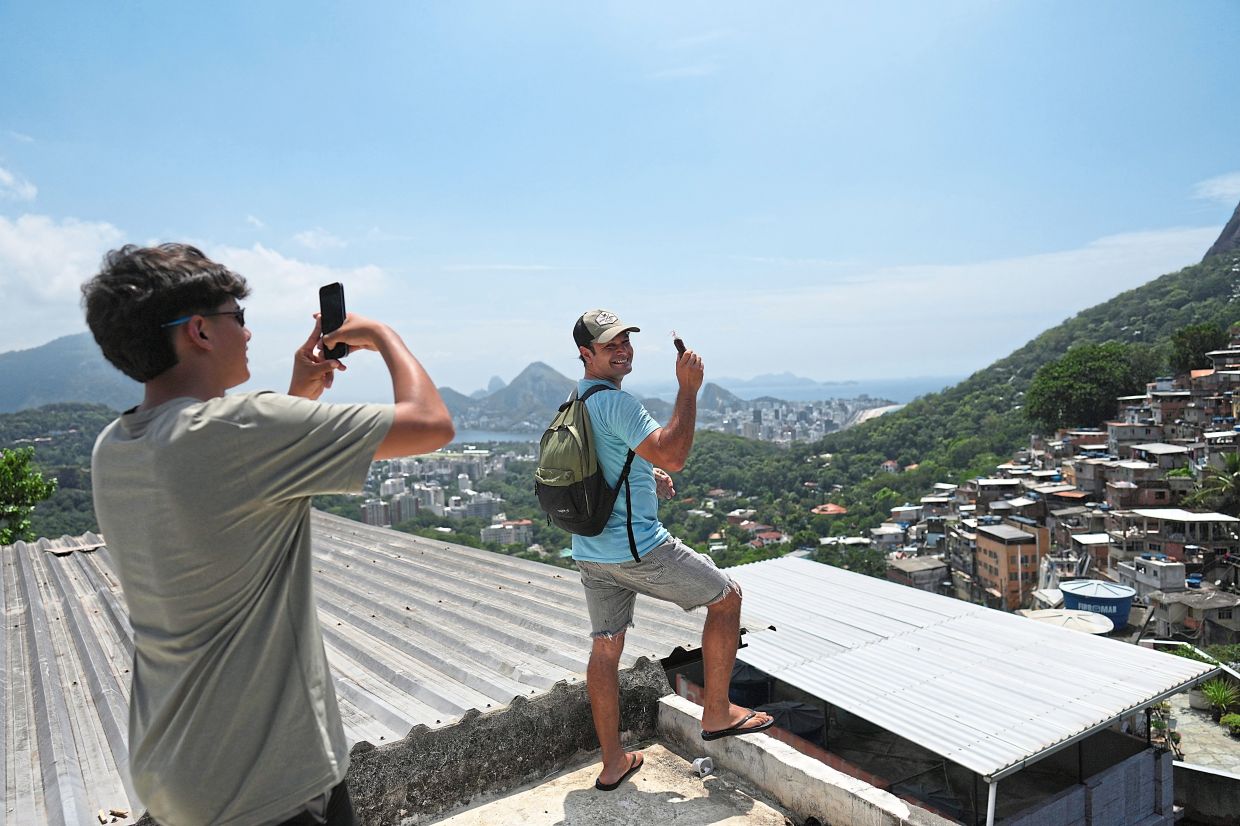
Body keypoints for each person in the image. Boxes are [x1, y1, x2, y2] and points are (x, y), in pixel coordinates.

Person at [82, 244, 454, 826]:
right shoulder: (240, 427)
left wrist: (298, 392)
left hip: (174, 771)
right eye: (240, 318)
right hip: (267, 782)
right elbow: (432, 424)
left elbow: (234, 479)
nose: (250, 334)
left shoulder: (115, 446)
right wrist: (381, 334)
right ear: (200, 330)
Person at [569, 308, 774, 792]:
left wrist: (645, 475)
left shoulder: (576, 401)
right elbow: (675, 452)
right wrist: (688, 389)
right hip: (637, 548)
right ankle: (718, 712)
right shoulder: (618, 404)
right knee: (726, 598)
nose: (622, 350)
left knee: (605, 646)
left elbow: (599, 459)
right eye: (608, 345)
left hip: (590, 549)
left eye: (625, 340)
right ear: (585, 354)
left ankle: (613, 762)